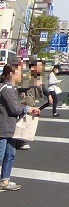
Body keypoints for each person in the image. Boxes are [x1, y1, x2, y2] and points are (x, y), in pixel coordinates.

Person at [0, 63, 41, 191]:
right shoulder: (7, 88)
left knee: (10, 154)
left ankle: (5, 181)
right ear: (10, 74)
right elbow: (14, 109)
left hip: (10, 127)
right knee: (1, 156)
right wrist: (28, 108)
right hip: (3, 127)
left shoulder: (10, 87)